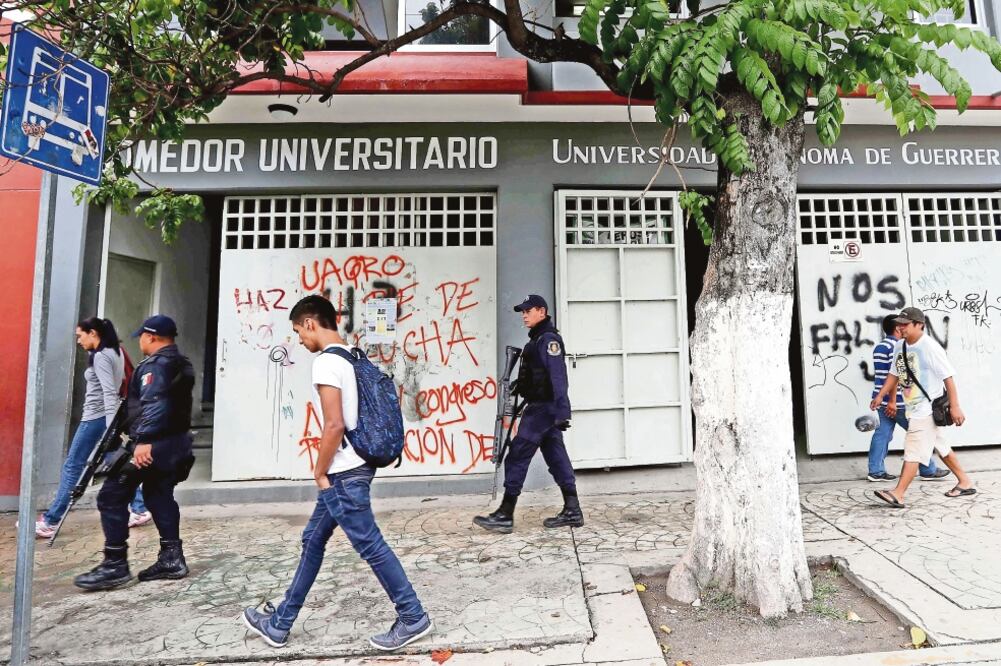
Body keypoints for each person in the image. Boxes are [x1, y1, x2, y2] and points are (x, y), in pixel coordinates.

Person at [242, 295, 433, 651]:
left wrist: (318, 471)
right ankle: (280, 623)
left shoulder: (326, 363)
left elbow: (334, 425)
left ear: (311, 323)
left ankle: (412, 615)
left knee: (371, 545)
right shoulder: (352, 354)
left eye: (299, 331)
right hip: (353, 469)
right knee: (312, 541)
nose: (299, 339)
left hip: (343, 473)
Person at [73, 315, 196, 590]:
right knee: (158, 494)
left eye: (142, 335)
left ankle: (115, 565)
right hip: (175, 444)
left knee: (111, 496)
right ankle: (171, 558)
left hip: (152, 446)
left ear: (151, 337)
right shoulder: (181, 363)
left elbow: (155, 403)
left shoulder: (157, 366)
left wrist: (144, 440)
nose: (139, 340)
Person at [32, 318, 149, 539]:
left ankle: (50, 521)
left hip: (96, 419)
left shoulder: (101, 356)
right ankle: (140, 507)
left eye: (80, 335)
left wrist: (108, 429)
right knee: (117, 463)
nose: (78, 340)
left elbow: (108, 392)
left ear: (93, 333)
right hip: (105, 418)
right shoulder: (116, 351)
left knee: (73, 466)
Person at [473, 294, 582, 533]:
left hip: (543, 409)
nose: (524, 315)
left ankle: (505, 513)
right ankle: (573, 510)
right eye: (522, 311)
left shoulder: (548, 340)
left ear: (541, 312)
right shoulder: (538, 340)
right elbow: (538, 375)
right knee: (556, 457)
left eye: (528, 311)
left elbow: (558, 377)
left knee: (517, 454)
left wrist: (563, 411)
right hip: (542, 408)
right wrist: (518, 387)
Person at [870, 307, 975, 508]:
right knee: (942, 447)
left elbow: (948, 377)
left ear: (920, 325)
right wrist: (881, 396)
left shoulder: (930, 347)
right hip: (913, 407)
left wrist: (955, 406)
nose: (901, 327)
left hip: (926, 409)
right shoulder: (900, 346)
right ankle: (965, 481)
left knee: (913, 450)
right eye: (899, 323)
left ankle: (898, 493)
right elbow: (894, 374)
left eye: (906, 324)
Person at [866, 314, 949, 483]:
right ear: (897, 328)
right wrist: (892, 401)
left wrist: (881, 397)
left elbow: (885, 375)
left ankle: (875, 471)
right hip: (898, 402)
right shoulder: (896, 347)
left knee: (882, 434)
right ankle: (928, 470)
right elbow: (896, 375)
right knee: (919, 435)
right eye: (901, 325)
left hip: (881, 399)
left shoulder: (880, 347)